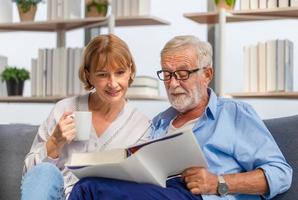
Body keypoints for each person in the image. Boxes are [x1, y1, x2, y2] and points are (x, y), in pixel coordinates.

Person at [69, 35, 292, 200]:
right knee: (88, 185)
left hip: (199, 197)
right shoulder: (158, 123)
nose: (173, 83)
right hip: (158, 192)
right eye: (167, 75)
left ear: (207, 74)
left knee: (89, 190)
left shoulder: (233, 114)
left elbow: (281, 174)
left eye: (183, 74)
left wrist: (218, 182)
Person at [21, 34, 151, 199]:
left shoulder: (141, 126)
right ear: (88, 74)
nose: (113, 83)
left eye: (120, 72)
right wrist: (54, 143)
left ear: (130, 71)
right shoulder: (65, 109)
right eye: (103, 74)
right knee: (44, 171)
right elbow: (30, 177)